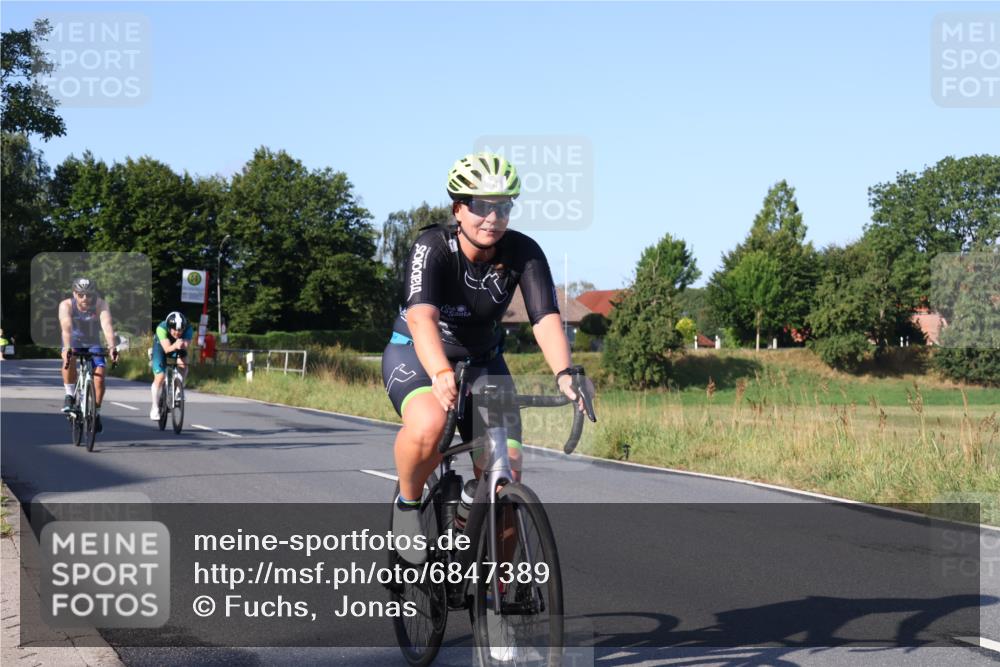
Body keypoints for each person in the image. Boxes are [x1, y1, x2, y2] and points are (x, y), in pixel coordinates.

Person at [382, 152, 582, 566]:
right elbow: (422, 317)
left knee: (504, 472)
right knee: (430, 423)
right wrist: (439, 371)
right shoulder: (433, 246)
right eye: (480, 206)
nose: (492, 217)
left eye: (503, 206)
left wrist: (565, 373)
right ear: (459, 208)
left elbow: (545, 317)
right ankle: (407, 505)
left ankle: (498, 602)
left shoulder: (523, 252)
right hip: (418, 353)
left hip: (483, 362)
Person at [58, 278, 119, 432]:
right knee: (69, 358)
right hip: (73, 338)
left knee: (99, 376)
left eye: (89, 295)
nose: (85, 298)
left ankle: (96, 412)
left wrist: (112, 347)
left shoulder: (100, 304)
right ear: (74, 294)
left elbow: (107, 325)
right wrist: (66, 349)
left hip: (92, 341)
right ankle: (70, 395)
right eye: (80, 295)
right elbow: (66, 329)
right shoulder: (66, 305)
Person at [150, 311, 193, 420]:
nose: (178, 332)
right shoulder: (161, 328)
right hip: (161, 347)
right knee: (160, 377)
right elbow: (167, 349)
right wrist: (176, 344)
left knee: (184, 364)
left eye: (180, 330)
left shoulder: (188, 328)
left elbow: (186, 344)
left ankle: (179, 388)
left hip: (178, 345)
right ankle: (154, 407)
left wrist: (182, 345)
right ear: (169, 328)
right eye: (174, 330)